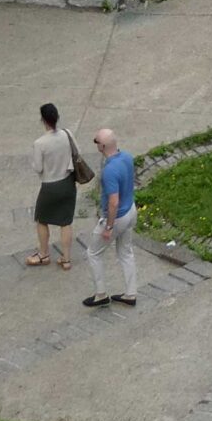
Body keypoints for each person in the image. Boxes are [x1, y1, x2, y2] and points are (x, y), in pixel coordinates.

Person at [83, 127, 138, 308]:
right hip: (131, 210)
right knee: (125, 252)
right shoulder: (127, 157)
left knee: (93, 253)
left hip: (117, 217)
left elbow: (113, 202)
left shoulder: (109, 171)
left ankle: (101, 294)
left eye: (96, 141)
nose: (95, 143)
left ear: (103, 146)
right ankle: (130, 293)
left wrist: (108, 227)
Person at [28, 102, 78, 271]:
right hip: (67, 183)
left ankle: (43, 253)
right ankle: (66, 258)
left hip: (49, 186)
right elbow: (76, 152)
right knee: (66, 222)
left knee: (42, 219)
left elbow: (38, 168)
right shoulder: (67, 134)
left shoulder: (40, 143)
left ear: (43, 120)